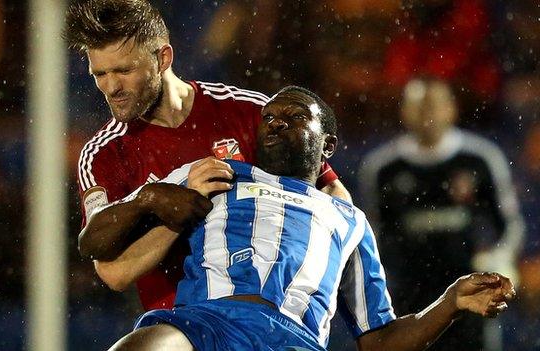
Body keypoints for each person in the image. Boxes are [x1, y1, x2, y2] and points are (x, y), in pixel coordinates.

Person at [81, 86, 515, 351]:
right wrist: (149, 199)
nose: (275, 123)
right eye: (268, 117)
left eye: (294, 117)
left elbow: (378, 340)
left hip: (291, 339)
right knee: (146, 346)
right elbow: (94, 243)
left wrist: (450, 303)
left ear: (327, 145)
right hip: (204, 324)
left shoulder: (348, 220)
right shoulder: (214, 175)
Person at [64, 0, 351, 311]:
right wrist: (175, 213)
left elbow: (332, 193)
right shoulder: (103, 154)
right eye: (100, 73)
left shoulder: (249, 111)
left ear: (163, 58)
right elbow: (114, 273)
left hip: (266, 316)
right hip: (181, 324)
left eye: (124, 70)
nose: (111, 87)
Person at [359, 77, 525, 350]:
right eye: (419, 106)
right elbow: (371, 234)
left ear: (452, 109)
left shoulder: (480, 159)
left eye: (434, 105)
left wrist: (498, 259)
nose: (428, 114)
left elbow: (510, 224)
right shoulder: (383, 168)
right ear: (404, 111)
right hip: (409, 293)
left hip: (469, 290)